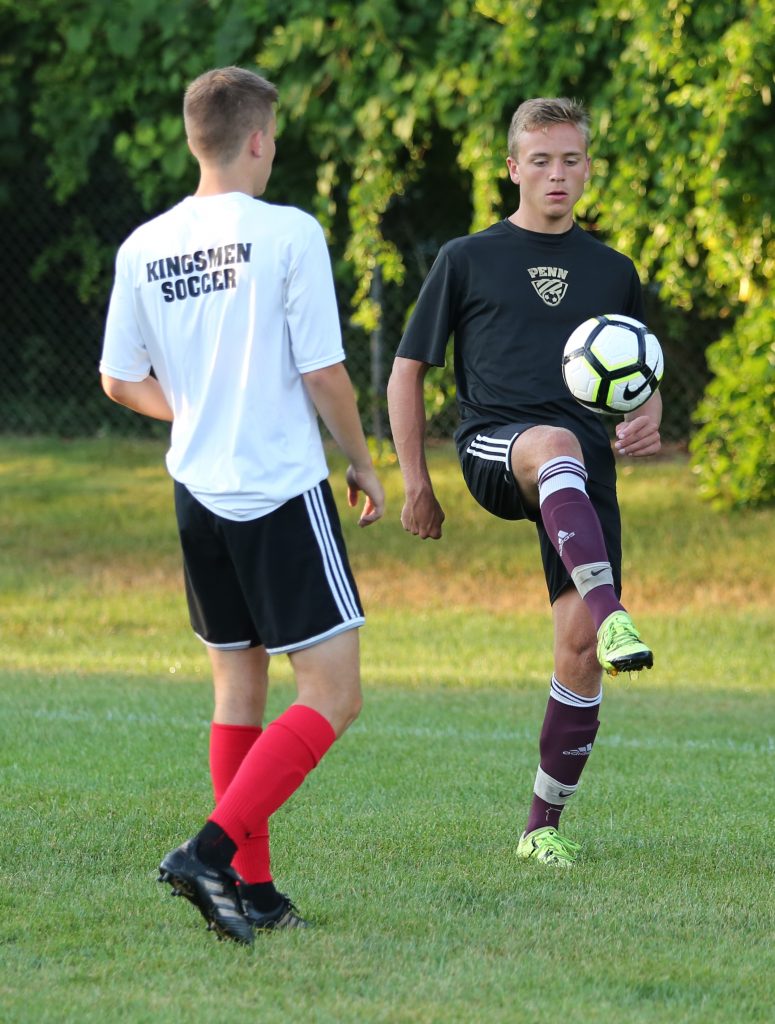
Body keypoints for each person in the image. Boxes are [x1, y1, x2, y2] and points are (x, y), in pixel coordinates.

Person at [100, 66, 385, 944]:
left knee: (239, 688)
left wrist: (196, 407)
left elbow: (119, 380)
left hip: (198, 494)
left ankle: (255, 895)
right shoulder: (288, 231)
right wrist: (366, 465)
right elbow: (322, 373)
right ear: (258, 138)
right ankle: (209, 852)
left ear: (196, 138)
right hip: (275, 489)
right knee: (334, 694)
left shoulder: (144, 245)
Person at [386, 97, 661, 868]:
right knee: (552, 442)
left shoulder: (614, 271)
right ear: (512, 168)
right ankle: (615, 611)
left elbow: (642, 373)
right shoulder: (466, 258)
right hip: (498, 448)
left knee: (576, 649)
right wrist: (416, 481)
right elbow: (407, 373)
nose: (556, 174)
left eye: (570, 159)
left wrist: (648, 417)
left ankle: (541, 827)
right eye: (539, 160)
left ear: (587, 168)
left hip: (583, 472)